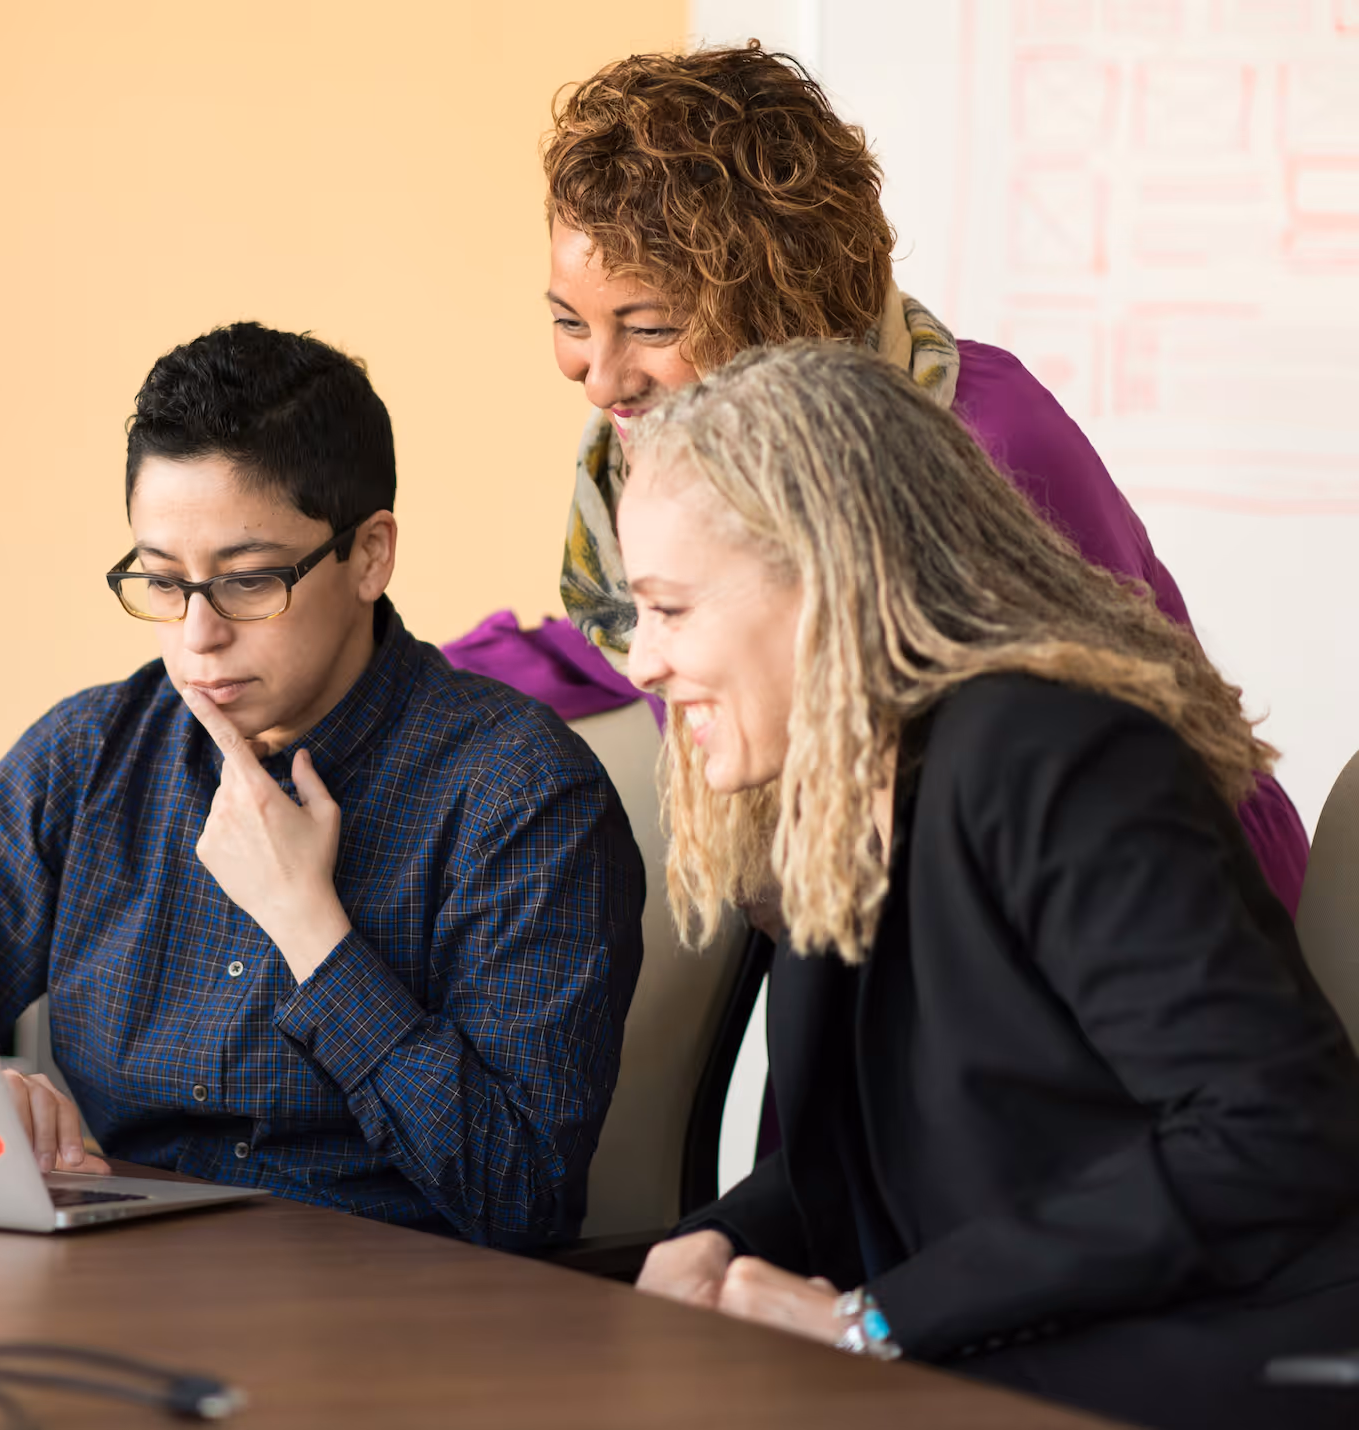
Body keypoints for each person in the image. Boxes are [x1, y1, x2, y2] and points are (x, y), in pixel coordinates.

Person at [619, 340, 1359, 1430]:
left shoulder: (1054, 754)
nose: (640, 661)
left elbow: (1271, 1130)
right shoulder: (843, 788)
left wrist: (874, 1323)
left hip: (1224, 1358)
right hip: (1026, 1348)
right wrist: (718, 1241)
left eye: (669, 610)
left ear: (826, 580)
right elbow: (861, 1158)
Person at [542, 41, 1309, 917]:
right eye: (569, 320)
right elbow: (653, 631)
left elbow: (1099, 772)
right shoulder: (651, 458)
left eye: (648, 328)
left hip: (1159, 924)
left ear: (773, 308)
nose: (599, 381)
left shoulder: (984, 441)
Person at [0, 321, 644, 1248]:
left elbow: (520, 1198)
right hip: (120, 1296)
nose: (198, 636)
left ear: (370, 555)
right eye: (161, 581)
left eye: (248, 581)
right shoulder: (91, 755)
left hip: (399, 1322)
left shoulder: (519, 793)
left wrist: (311, 927)